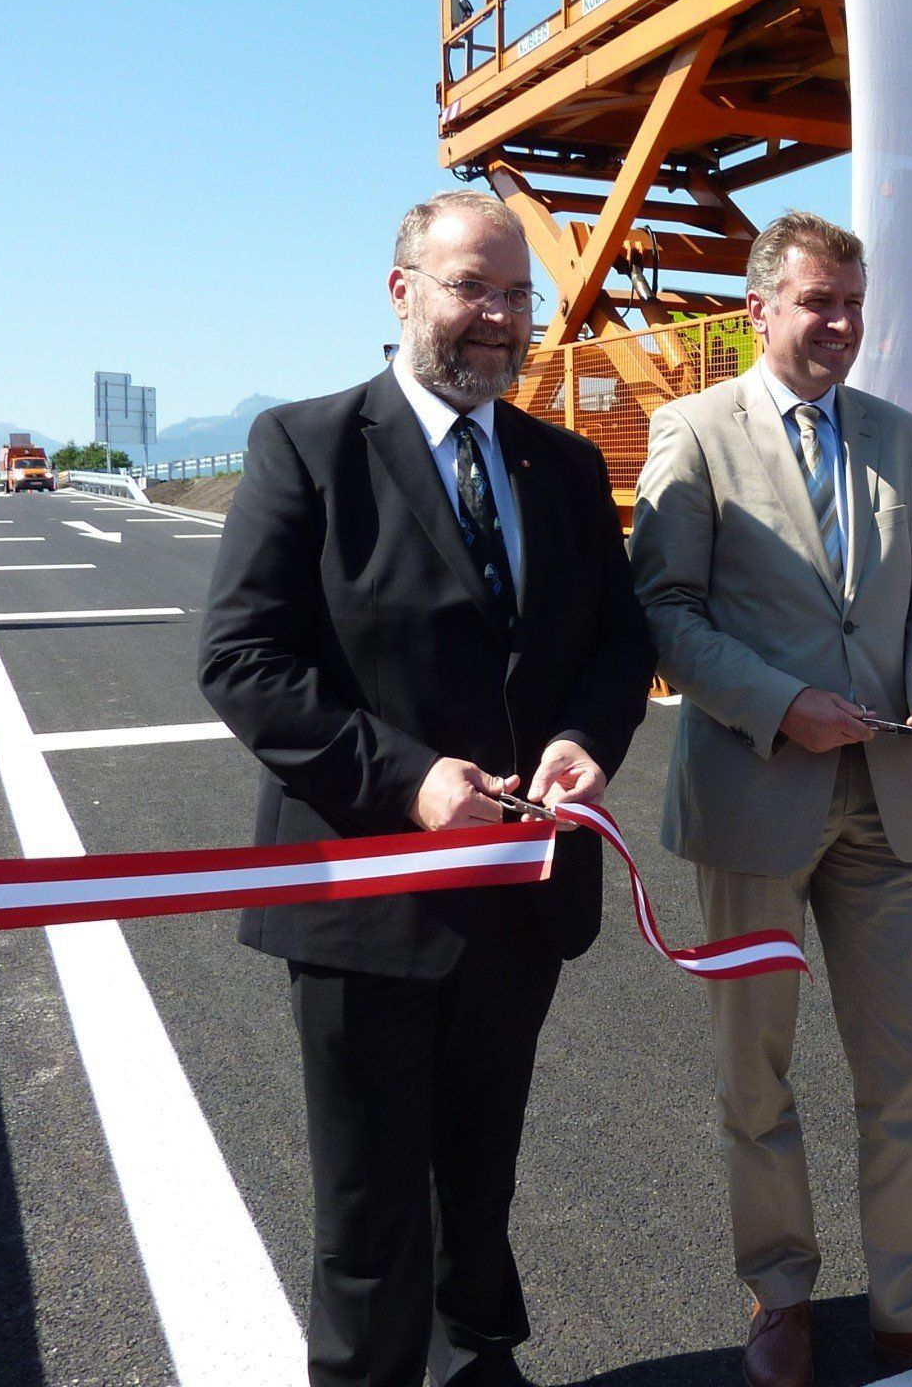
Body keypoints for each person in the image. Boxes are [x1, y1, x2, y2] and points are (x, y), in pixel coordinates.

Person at [198, 190, 654, 1387]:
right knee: (367, 1197)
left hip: (519, 892)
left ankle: (478, 1357)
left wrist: (582, 742)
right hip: (363, 896)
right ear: (401, 292)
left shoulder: (558, 464)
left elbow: (617, 644)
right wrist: (409, 783)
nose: (497, 319)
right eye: (471, 289)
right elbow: (242, 660)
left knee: (482, 1163)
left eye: (516, 295)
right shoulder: (305, 446)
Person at [629, 213, 912, 1387]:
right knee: (754, 1071)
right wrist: (779, 703)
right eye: (819, 302)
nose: (842, 325)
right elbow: (664, 612)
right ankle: (779, 1296)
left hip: (889, 793)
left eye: (853, 303)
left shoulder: (900, 437)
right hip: (755, 795)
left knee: (908, 1066)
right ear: (759, 309)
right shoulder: (692, 432)